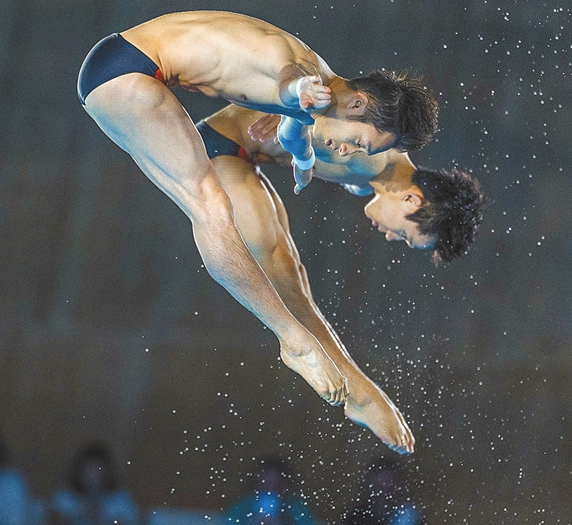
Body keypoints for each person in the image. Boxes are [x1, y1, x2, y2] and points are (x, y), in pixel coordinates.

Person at [78, 12, 439, 409]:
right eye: (355, 140)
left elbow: (293, 133)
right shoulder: (307, 75)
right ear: (357, 103)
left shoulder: (315, 104)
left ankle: (295, 339)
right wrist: (298, 90)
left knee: (210, 204)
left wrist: (303, 164)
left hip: (121, 70)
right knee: (211, 206)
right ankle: (294, 340)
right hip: (129, 72)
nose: (347, 151)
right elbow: (289, 78)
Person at [192, 106, 483, 452]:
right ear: (411, 198)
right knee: (274, 267)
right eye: (405, 234)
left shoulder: (373, 174)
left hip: (240, 156)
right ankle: (361, 394)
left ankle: (360, 390)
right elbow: (329, 92)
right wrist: (282, 107)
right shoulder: (373, 158)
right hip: (221, 146)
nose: (391, 238)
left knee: (292, 274)